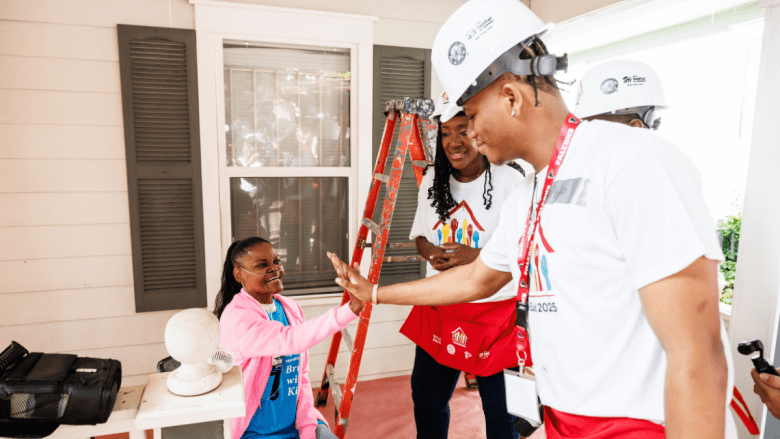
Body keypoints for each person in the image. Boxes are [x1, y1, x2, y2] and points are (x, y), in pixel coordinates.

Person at [327, 1, 728, 438]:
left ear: (512, 98)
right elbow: (475, 279)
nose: (469, 134)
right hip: (562, 420)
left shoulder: (632, 161)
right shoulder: (532, 192)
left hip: (637, 427)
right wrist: (375, 292)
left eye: (474, 116)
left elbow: (697, 354)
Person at [402, 91, 529, 439]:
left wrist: (474, 258)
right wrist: (432, 255)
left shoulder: (510, 181)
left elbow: (524, 253)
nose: (453, 142)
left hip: (495, 314)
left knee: (502, 418)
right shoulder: (432, 181)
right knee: (426, 401)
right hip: (443, 306)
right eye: (445, 133)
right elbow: (421, 237)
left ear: (477, 132)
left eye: (462, 130)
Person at [215, 237, 364, 439]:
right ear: (239, 274)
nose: (274, 268)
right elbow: (290, 339)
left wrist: (307, 426)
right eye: (262, 265)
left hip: (297, 426)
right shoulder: (237, 317)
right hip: (255, 433)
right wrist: (350, 310)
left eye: (276, 261)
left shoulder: (289, 308)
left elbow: (300, 373)